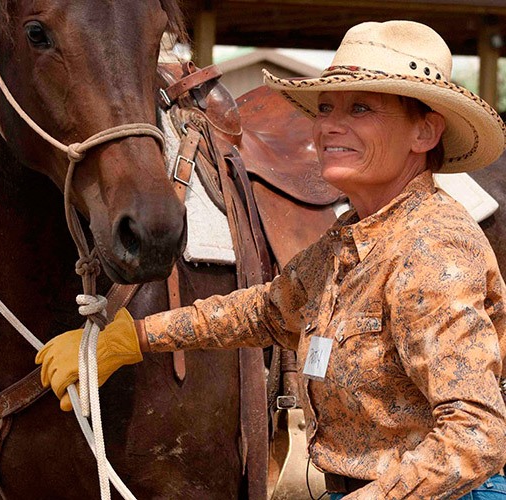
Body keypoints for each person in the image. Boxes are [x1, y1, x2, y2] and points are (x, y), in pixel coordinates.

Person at [36, 20, 506, 499]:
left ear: (425, 132)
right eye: (325, 108)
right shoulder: (351, 238)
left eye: (361, 108)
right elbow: (266, 310)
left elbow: (475, 436)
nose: (328, 126)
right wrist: (133, 337)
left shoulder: (432, 249)